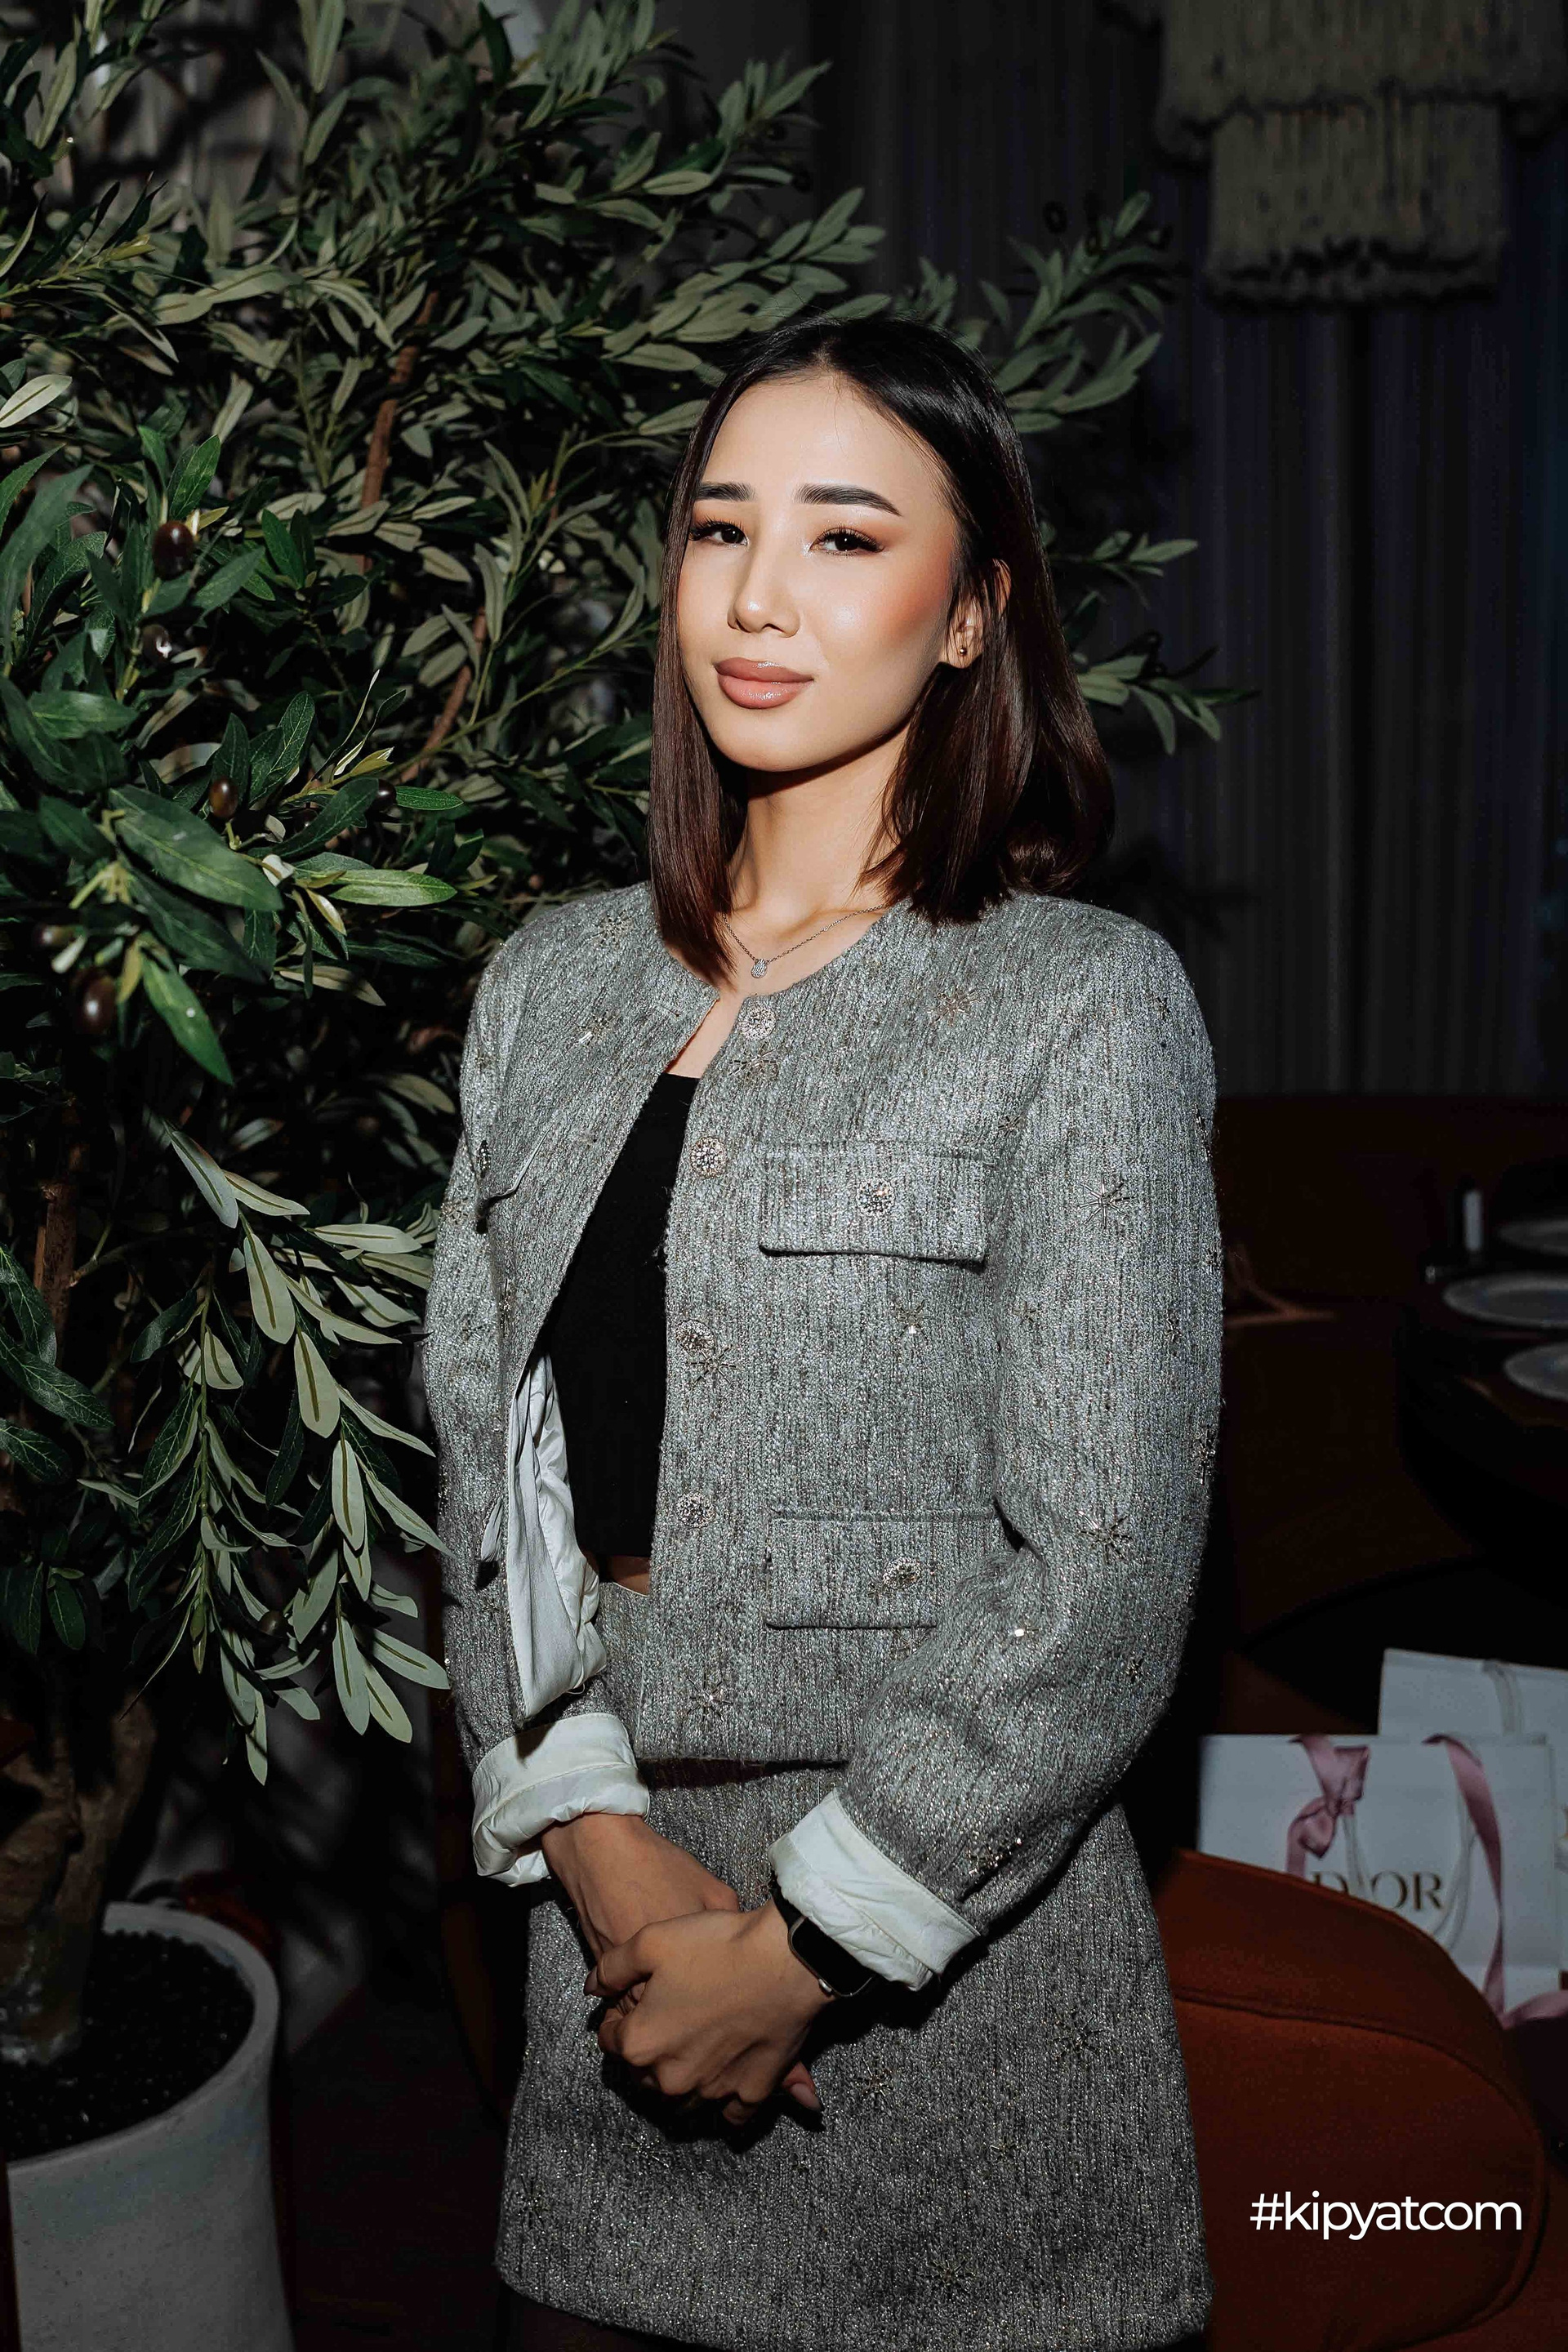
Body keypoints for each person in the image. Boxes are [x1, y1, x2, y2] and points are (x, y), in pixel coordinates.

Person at [424, 314, 1221, 2352]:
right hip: (608, 1959)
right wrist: (601, 1855)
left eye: (846, 538)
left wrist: (799, 1951)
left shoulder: (1078, 1006)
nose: (759, 596)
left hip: (958, 1985)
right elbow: (486, 1474)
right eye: (721, 529)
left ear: (971, 616)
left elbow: (1108, 1576)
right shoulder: (547, 988)